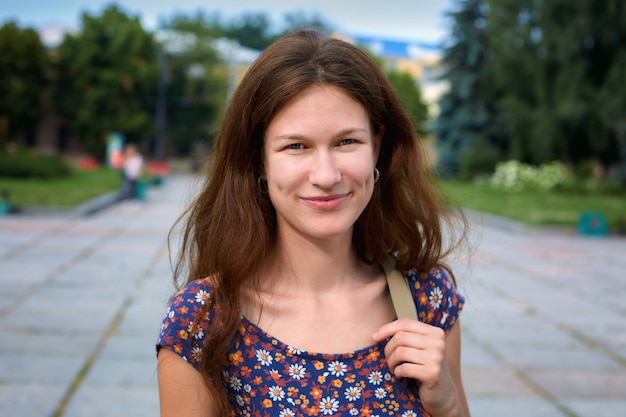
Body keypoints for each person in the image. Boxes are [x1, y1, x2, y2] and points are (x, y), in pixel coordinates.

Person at [156, 28, 471, 417]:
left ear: (377, 146)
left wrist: (449, 403)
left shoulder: (428, 300)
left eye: (346, 142)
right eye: (296, 146)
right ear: (259, 160)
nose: (325, 175)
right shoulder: (204, 320)